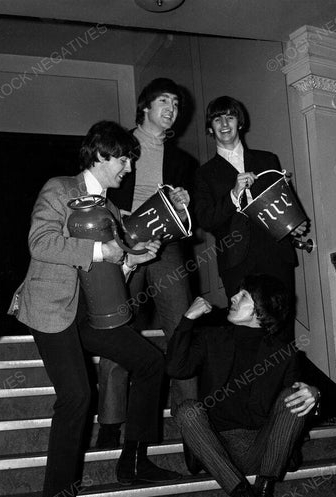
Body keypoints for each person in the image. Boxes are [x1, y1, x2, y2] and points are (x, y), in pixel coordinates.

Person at [9, 121, 181, 497]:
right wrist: (98, 249)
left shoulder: (115, 210)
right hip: (52, 308)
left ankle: (134, 459)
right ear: (101, 155)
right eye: (123, 158)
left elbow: (114, 267)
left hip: (91, 313)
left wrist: (135, 257)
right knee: (77, 396)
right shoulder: (60, 189)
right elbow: (40, 243)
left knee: (149, 361)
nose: (127, 167)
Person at [166, 274, 320, 497]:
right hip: (215, 447)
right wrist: (187, 320)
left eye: (244, 296)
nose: (233, 298)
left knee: (296, 394)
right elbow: (176, 368)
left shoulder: (285, 353)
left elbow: (294, 406)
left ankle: (264, 491)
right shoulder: (211, 337)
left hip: (262, 448)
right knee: (187, 410)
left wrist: (314, 394)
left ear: (261, 310)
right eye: (237, 293)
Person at [96, 78, 196, 448]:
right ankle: (109, 422)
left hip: (166, 247)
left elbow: (188, 218)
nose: (171, 109)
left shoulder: (184, 161)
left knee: (183, 331)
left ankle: (191, 428)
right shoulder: (118, 143)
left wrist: (185, 201)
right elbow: (94, 189)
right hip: (122, 243)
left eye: (176, 104)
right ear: (145, 107)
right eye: (164, 101)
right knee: (117, 329)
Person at [194, 95, 307, 302]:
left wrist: (295, 221)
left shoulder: (268, 159)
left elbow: (284, 201)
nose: (225, 124)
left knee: (281, 326)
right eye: (217, 119)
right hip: (236, 261)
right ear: (210, 128)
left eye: (230, 117)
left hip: (276, 254)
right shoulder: (203, 174)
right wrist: (233, 194)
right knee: (247, 330)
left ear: (240, 123)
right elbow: (206, 220)